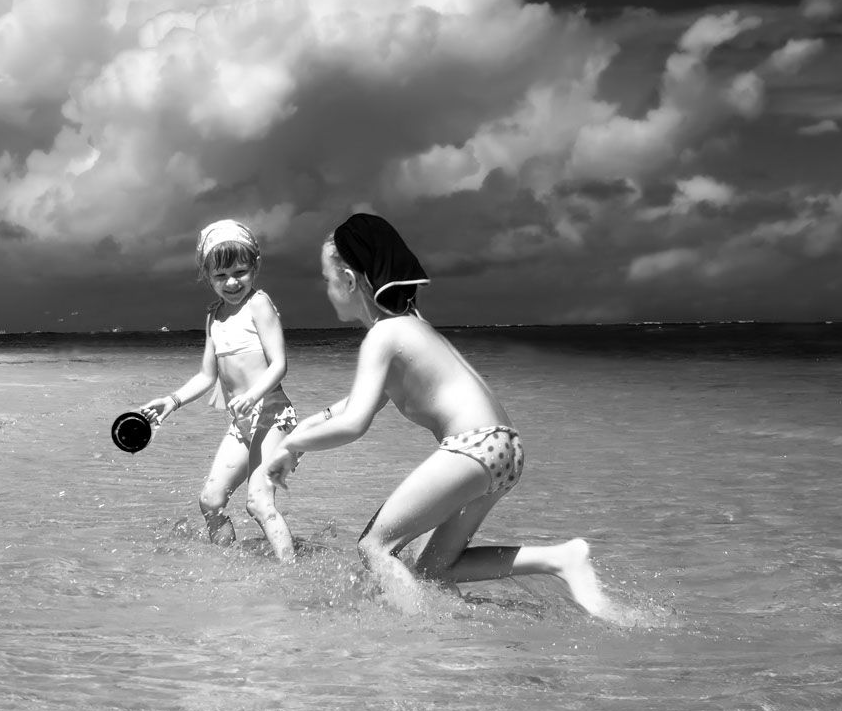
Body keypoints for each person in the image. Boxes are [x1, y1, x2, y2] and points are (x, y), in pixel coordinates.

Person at [261, 213, 616, 618]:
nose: (326, 290)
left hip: (474, 446)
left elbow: (354, 423)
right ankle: (560, 559)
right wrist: (303, 432)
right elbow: (355, 405)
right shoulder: (410, 326)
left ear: (348, 280)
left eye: (326, 279)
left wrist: (291, 443)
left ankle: (423, 636)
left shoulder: (383, 335)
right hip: (504, 448)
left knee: (374, 546)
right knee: (435, 569)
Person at [140, 219, 297, 561]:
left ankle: (290, 571)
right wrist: (172, 401)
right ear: (207, 275)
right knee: (210, 501)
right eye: (221, 275)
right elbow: (206, 376)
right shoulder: (214, 317)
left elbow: (279, 364)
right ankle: (228, 565)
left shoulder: (258, 304)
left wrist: (253, 395)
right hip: (242, 423)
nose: (232, 282)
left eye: (240, 272)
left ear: (255, 266)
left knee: (258, 502)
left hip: (273, 417)